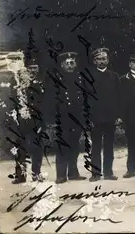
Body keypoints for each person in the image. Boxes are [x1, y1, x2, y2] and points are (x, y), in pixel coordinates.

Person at [51, 52, 87, 184]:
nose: (70, 65)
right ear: (62, 65)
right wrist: (53, 120)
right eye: (67, 63)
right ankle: (60, 175)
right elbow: (51, 100)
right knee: (62, 147)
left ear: (75, 64)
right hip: (62, 119)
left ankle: (73, 173)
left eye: (72, 63)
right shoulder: (56, 79)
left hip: (76, 118)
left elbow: (83, 99)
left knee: (74, 146)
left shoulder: (79, 78)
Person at [11, 57, 47, 183]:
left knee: (37, 148)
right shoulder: (15, 90)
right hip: (19, 123)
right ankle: (20, 175)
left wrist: (42, 123)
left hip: (34, 123)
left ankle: (36, 173)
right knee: (20, 150)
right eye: (20, 76)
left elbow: (42, 107)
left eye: (25, 75)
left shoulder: (36, 88)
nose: (23, 78)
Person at [89, 48, 122, 181]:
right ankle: (95, 174)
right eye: (99, 59)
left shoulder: (114, 76)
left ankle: (108, 172)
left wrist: (119, 116)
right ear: (94, 61)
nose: (102, 61)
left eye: (104, 59)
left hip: (110, 118)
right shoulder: (89, 76)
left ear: (108, 60)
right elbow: (86, 99)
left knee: (109, 146)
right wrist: (88, 117)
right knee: (96, 147)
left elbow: (120, 98)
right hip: (95, 118)